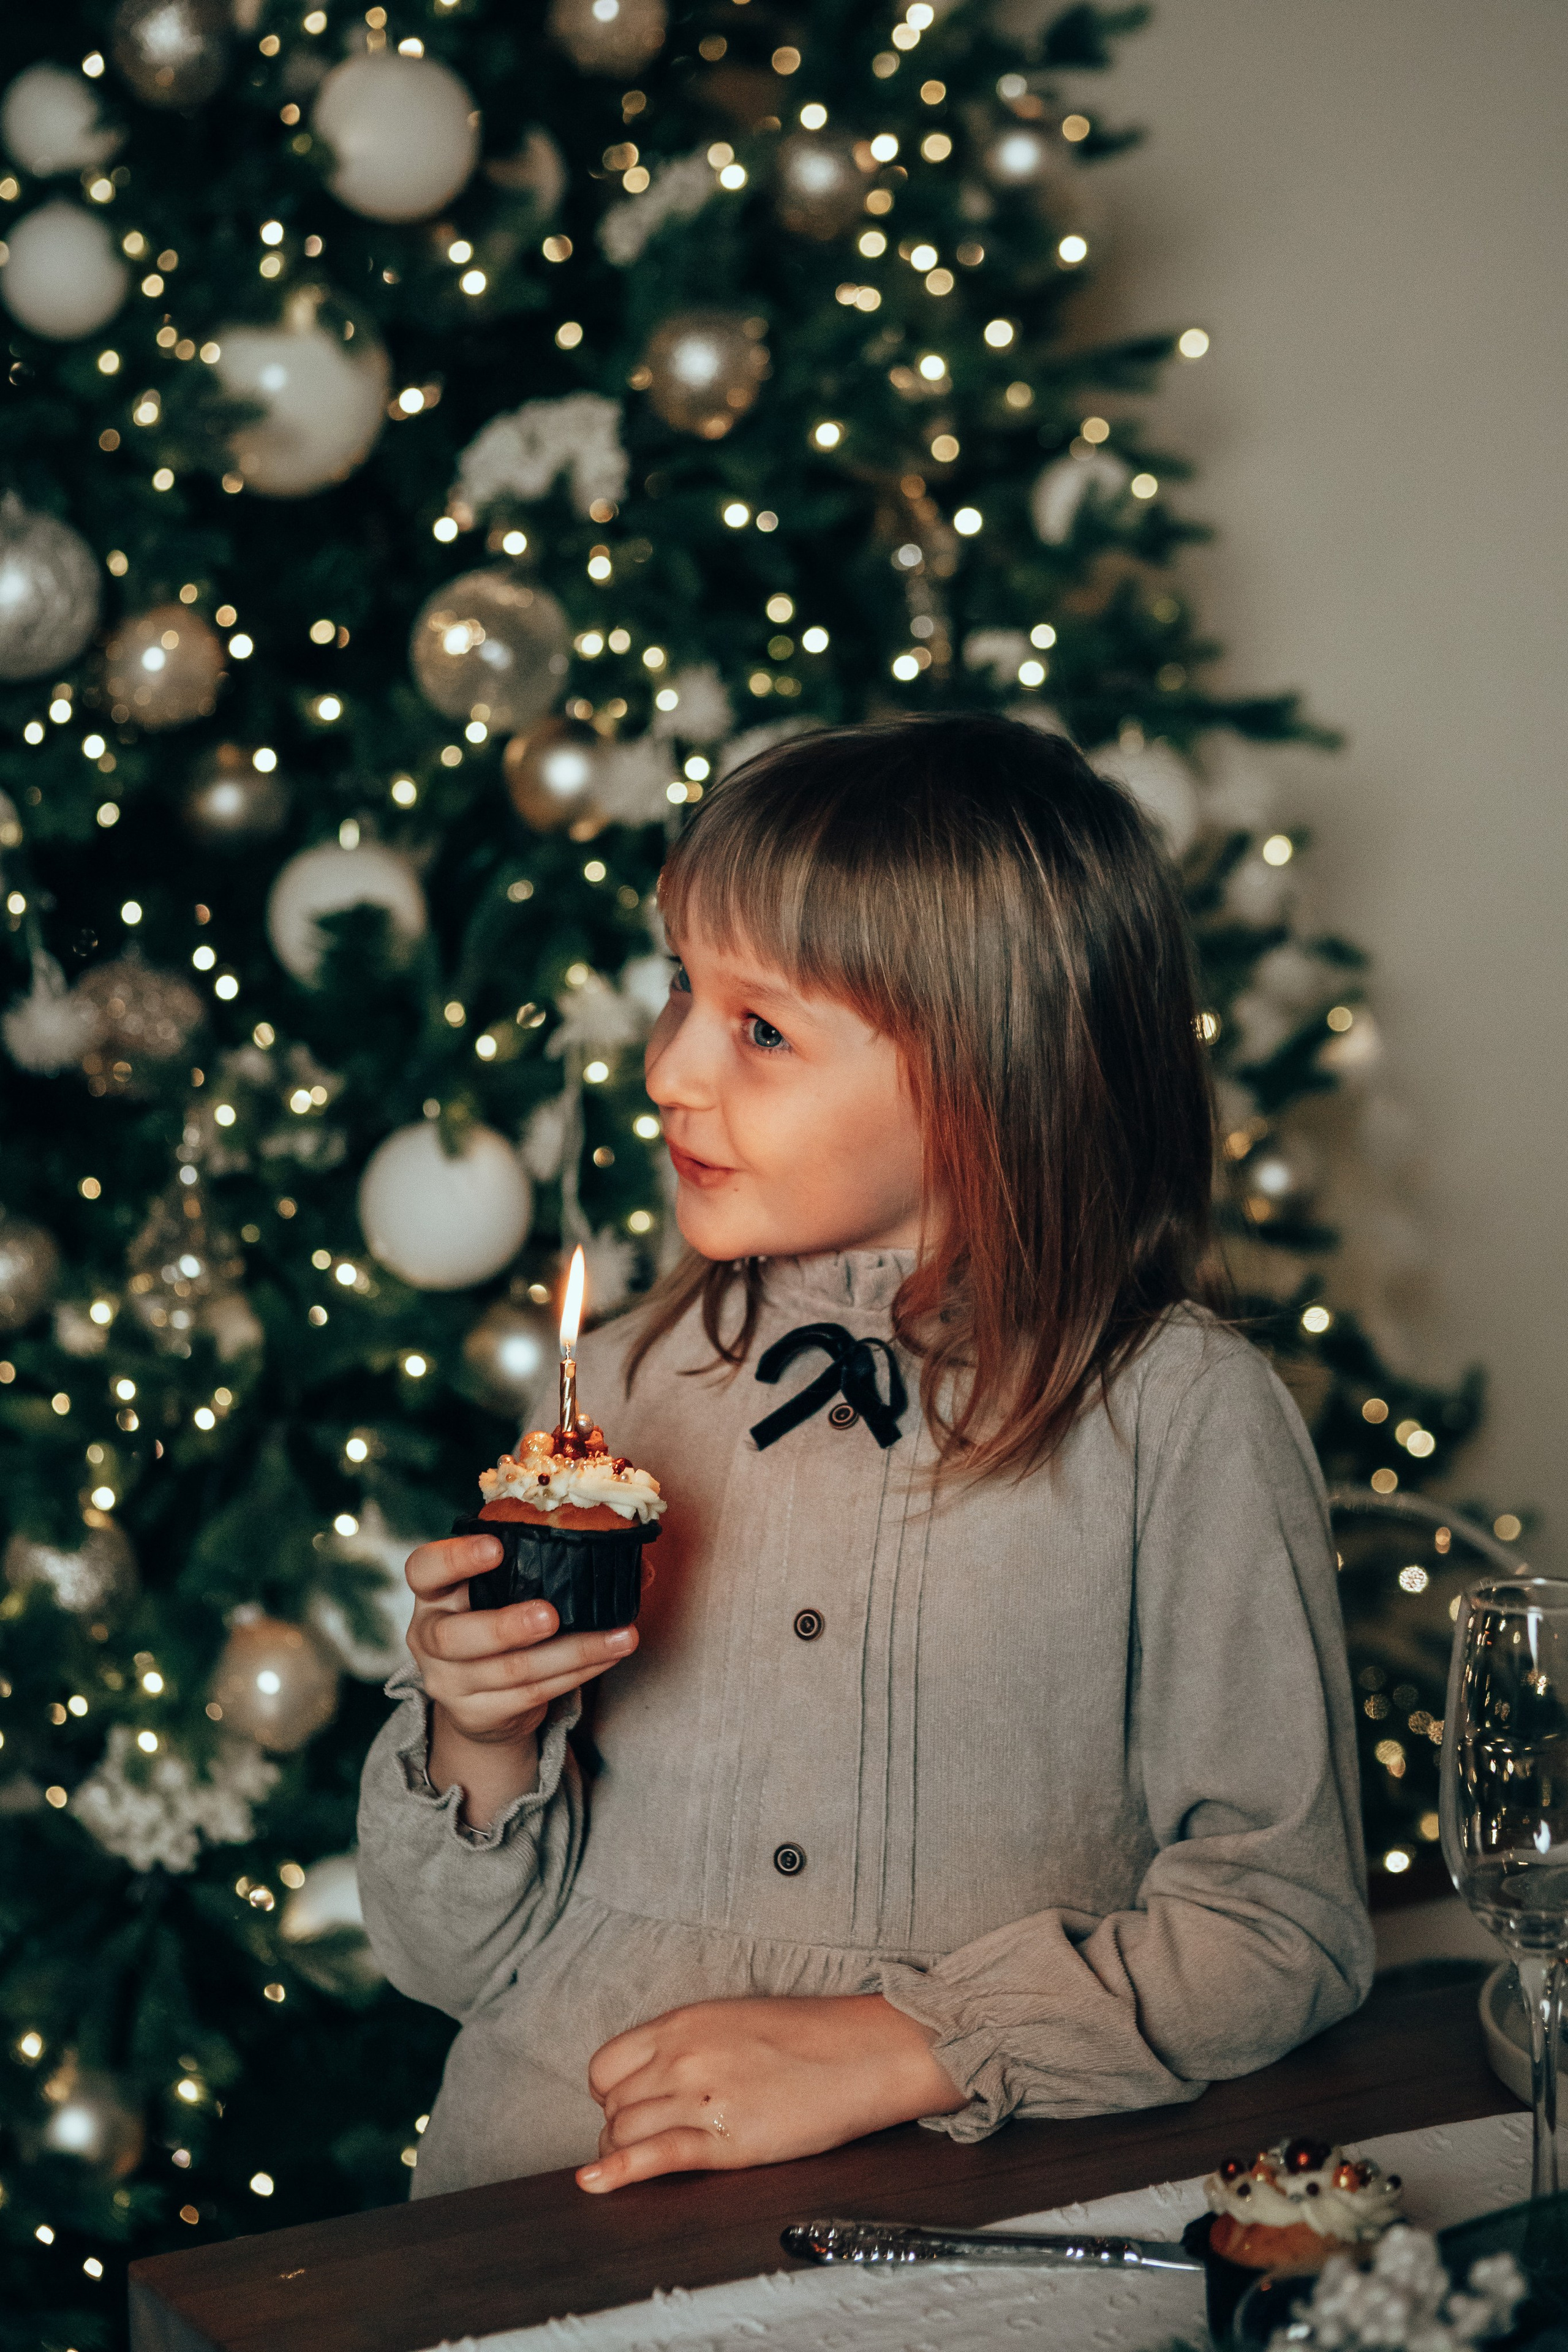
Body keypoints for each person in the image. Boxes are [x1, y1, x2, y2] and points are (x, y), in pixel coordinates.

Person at [356, 714, 1373, 2201]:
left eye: (760, 1031)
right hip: (546, 2194)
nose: (667, 1069)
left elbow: (1280, 1928)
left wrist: (912, 2046)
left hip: (958, 2214)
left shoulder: (1176, 1418)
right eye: (678, 985)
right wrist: (480, 1737)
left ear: (992, 1075)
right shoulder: (618, 1391)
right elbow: (447, 1960)